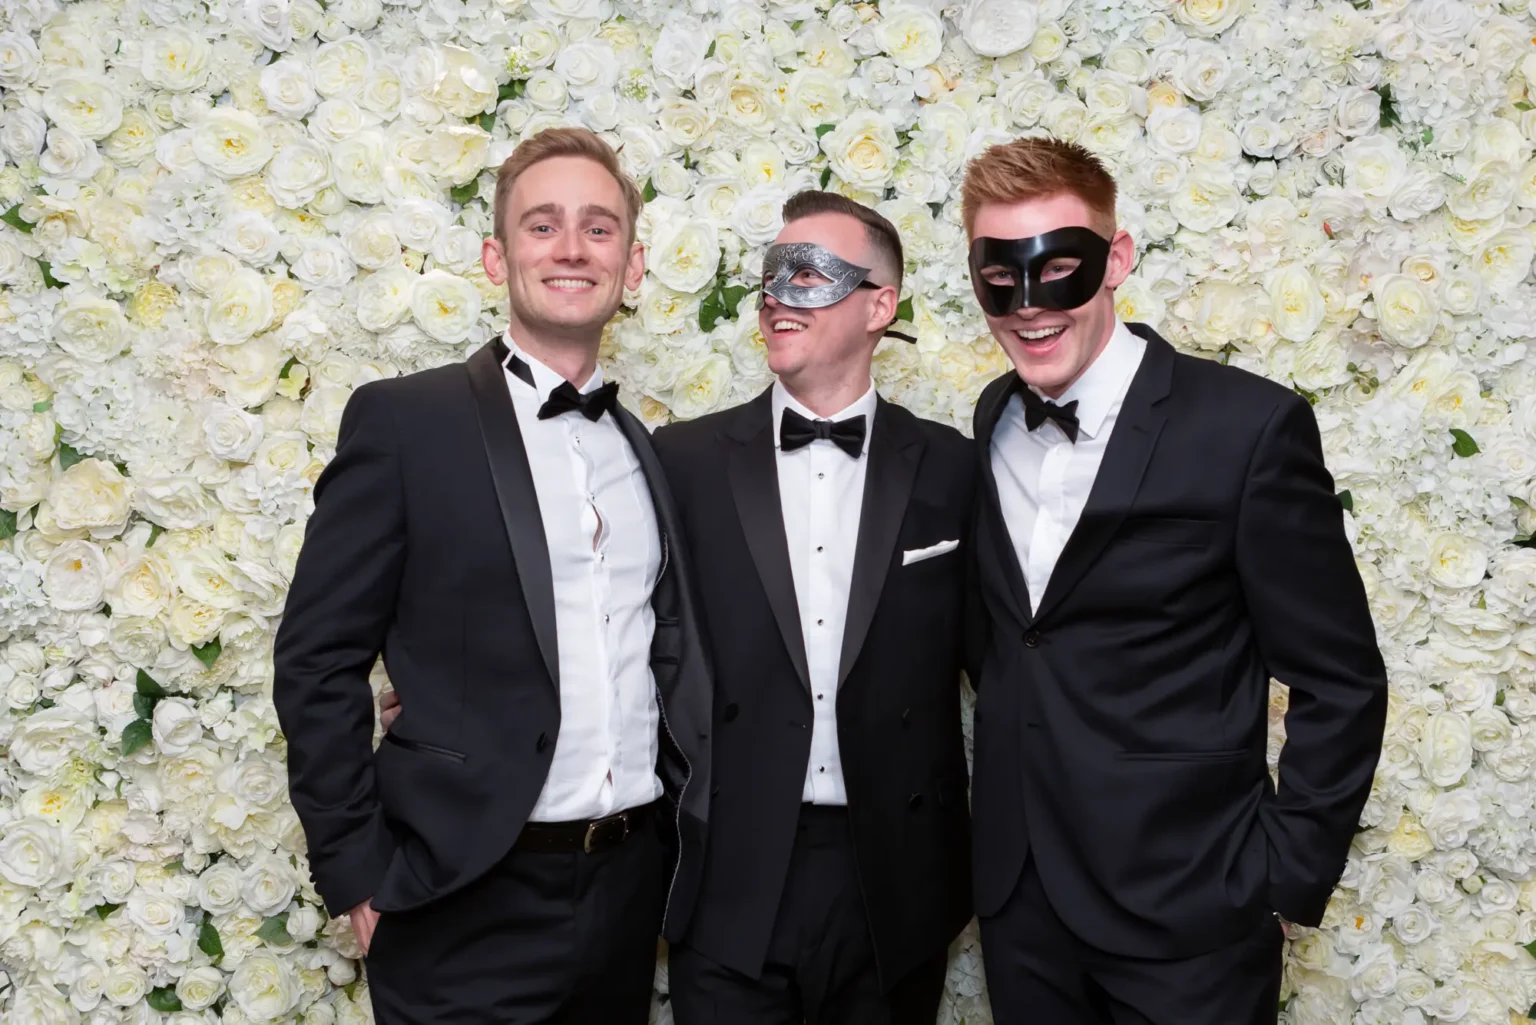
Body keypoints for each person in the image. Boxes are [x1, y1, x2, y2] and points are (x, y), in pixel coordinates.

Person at [272, 126, 712, 1025]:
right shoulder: (405, 422)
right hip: (460, 892)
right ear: (495, 255)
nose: (570, 247)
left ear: (631, 265)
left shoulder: (646, 451)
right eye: (541, 224)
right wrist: (357, 871)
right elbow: (316, 660)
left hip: (629, 888)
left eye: (598, 228)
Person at [961, 137, 1387, 1024]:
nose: (1030, 308)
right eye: (1000, 279)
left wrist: (1280, 876)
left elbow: (1339, 677)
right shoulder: (992, 418)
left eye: (1060, 271)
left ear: (1116, 259)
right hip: (1022, 906)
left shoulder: (1249, 427)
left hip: (1193, 911)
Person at [651, 191, 976, 1025]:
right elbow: (622, 635)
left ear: (880, 305)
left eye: (807, 276)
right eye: (771, 278)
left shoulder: (954, 468)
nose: (775, 297)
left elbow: (1016, 664)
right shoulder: (680, 461)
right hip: (729, 869)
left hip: (897, 877)